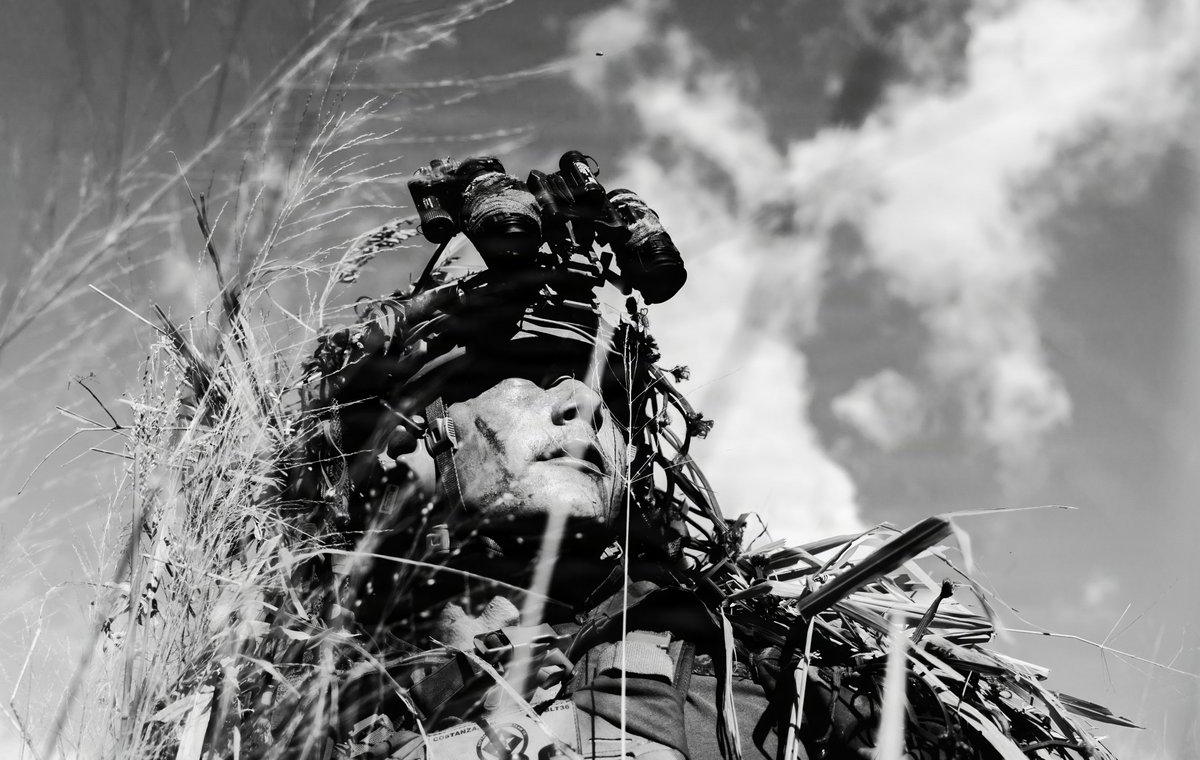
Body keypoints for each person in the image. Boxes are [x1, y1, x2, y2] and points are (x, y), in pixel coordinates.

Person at [279, 152, 1130, 760]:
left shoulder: (764, 668)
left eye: (605, 395)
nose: (578, 405)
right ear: (419, 435)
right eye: (530, 379)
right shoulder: (308, 685)